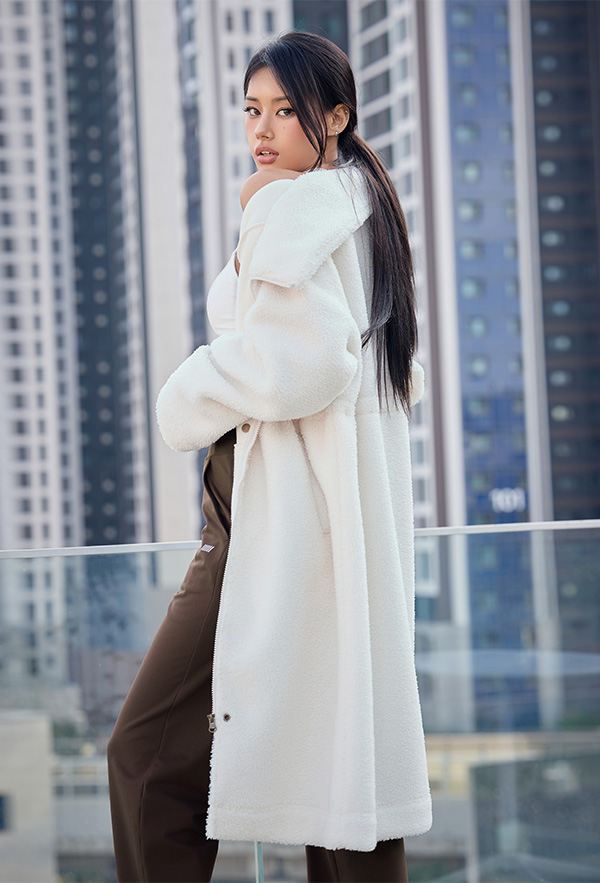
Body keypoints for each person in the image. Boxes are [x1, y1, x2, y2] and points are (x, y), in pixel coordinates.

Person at [107, 31, 432, 883]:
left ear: (337, 116)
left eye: (286, 111)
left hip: (269, 522)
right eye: (252, 109)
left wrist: (186, 394)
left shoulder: (298, 208)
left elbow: (309, 359)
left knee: (146, 751)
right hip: (306, 517)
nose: (263, 129)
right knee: (341, 774)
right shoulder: (354, 208)